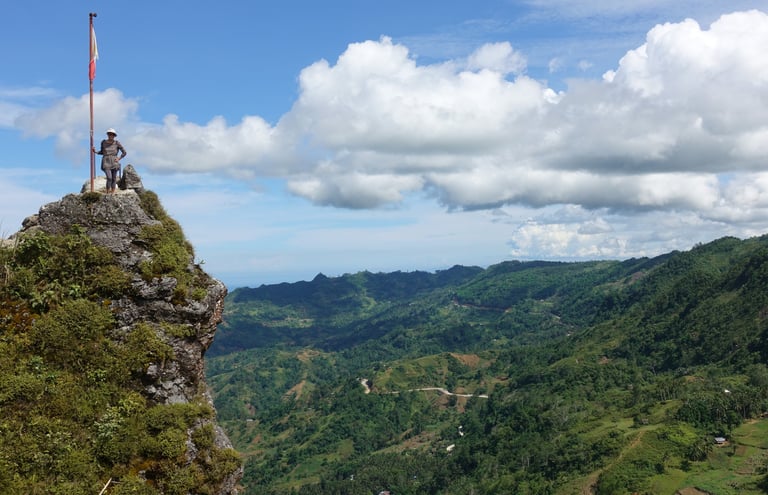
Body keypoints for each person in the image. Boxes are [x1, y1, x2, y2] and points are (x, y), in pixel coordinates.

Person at [92, 128, 127, 193]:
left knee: (114, 178)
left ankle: (112, 193)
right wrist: (95, 152)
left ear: (114, 136)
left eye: (112, 134)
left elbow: (124, 152)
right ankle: (107, 192)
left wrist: (119, 158)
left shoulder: (117, 143)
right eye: (109, 134)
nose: (111, 135)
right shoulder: (103, 142)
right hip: (106, 161)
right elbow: (102, 152)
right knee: (109, 177)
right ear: (107, 134)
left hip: (114, 162)